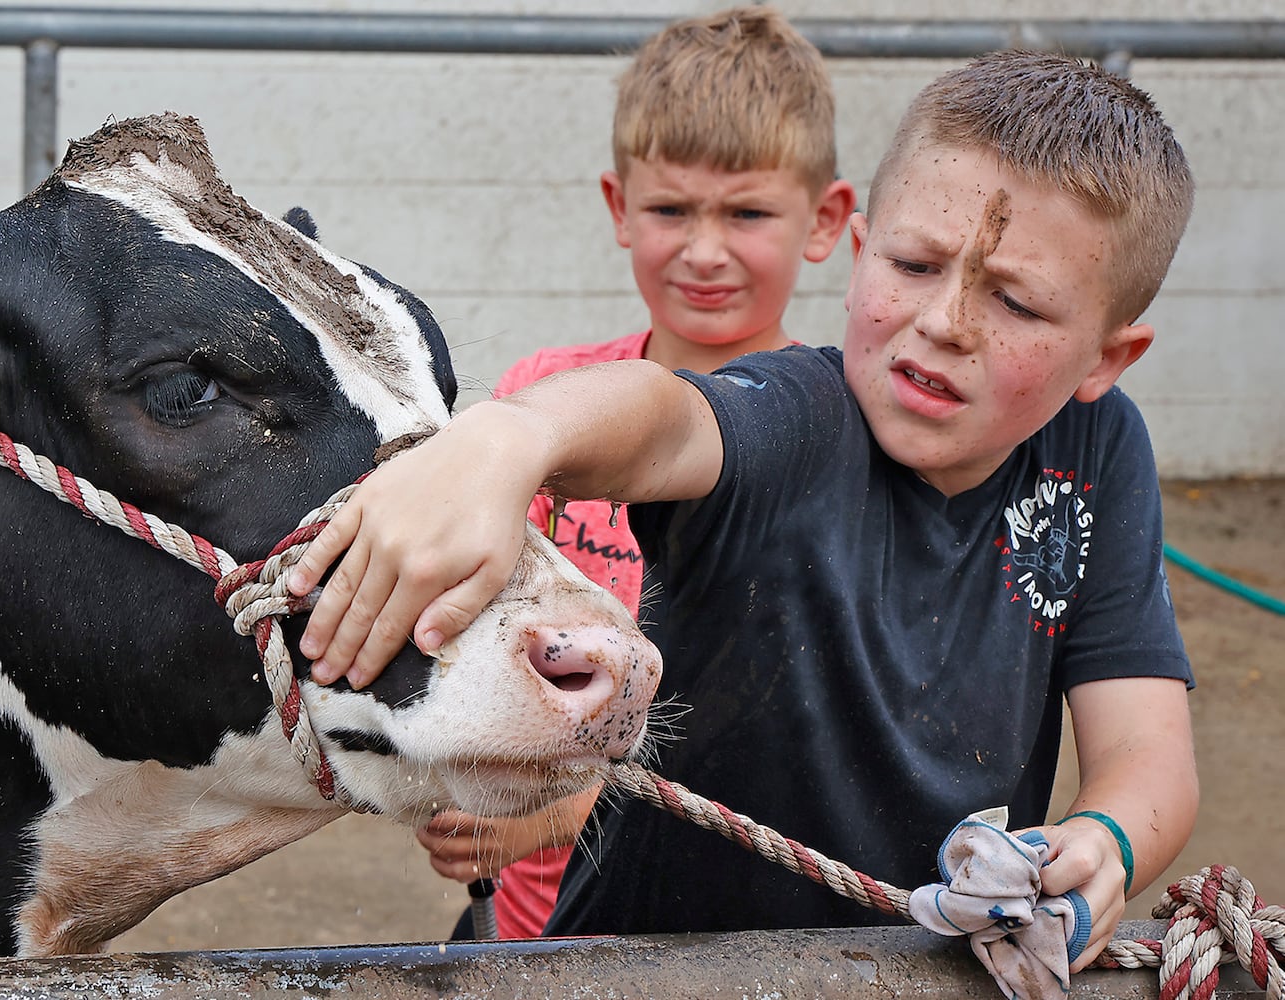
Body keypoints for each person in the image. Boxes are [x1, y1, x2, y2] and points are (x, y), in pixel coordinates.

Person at [290, 49, 1199, 971]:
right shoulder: (804, 413)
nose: (946, 322)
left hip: (935, 972)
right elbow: (669, 416)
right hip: (647, 971)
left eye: (1015, 301)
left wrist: (1107, 842)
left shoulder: (1099, 453)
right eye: (915, 264)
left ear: (1106, 359)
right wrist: (502, 441)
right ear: (860, 250)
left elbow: (1147, 753)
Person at [412, 5, 857, 939]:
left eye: (746, 212)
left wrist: (556, 813)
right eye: (670, 209)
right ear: (620, 208)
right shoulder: (543, 405)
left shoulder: (840, 442)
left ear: (824, 220)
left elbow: (777, 741)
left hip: (717, 938)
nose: (703, 250)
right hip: (531, 933)